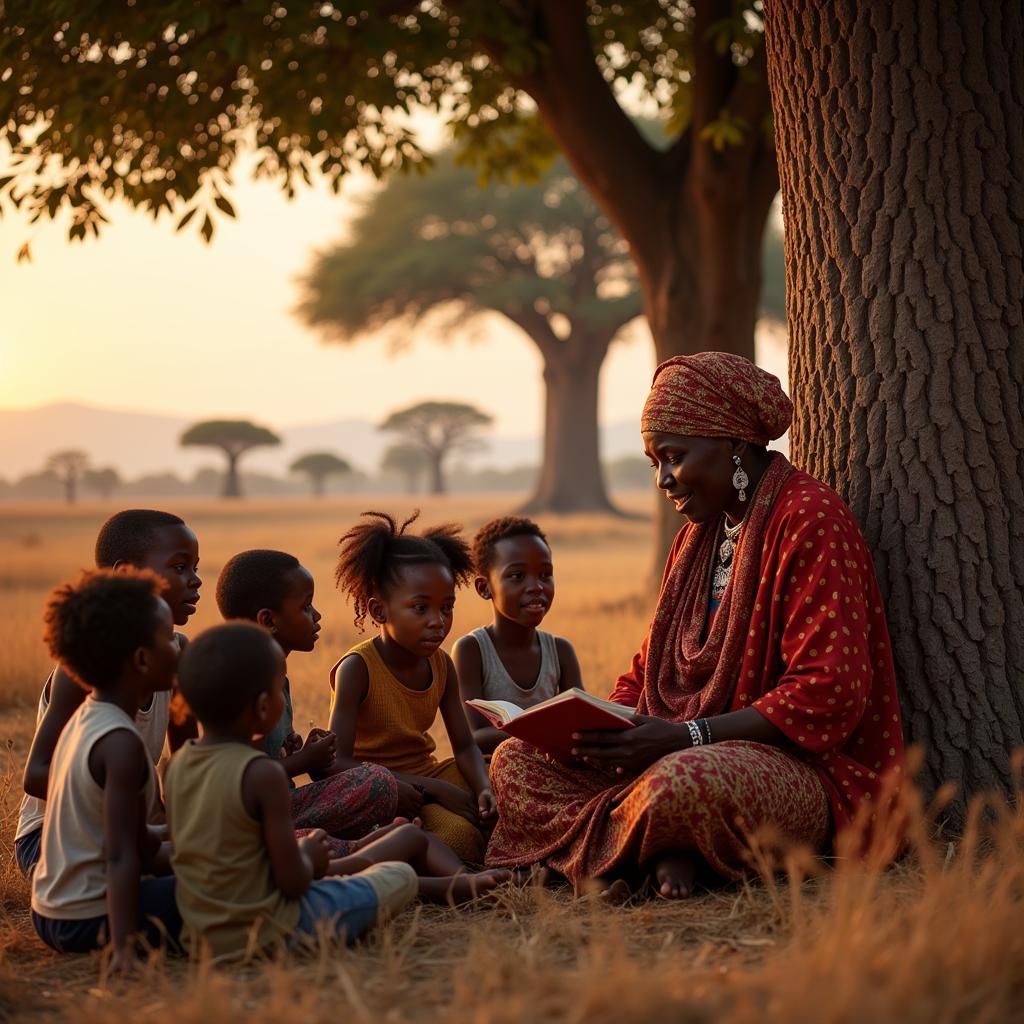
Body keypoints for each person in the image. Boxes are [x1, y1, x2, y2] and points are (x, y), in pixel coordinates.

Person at [485, 352, 906, 899]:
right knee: (515, 762)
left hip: (799, 771)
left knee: (680, 786)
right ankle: (652, 856)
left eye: (673, 457)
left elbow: (829, 691)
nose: (663, 479)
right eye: (654, 462)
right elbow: (648, 668)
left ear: (732, 444)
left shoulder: (809, 519)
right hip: (669, 746)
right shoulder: (695, 538)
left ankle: (608, 857)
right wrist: (604, 731)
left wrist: (687, 737)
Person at [166, 622, 508, 961]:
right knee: (398, 875)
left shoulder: (178, 767)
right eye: (277, 690)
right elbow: (293, 882)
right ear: (262, 707)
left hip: (198, 933)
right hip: (276, 928)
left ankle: (448, 878)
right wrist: (310, 857)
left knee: (403, 838)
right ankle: (452, 885)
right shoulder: (262, 776)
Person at [15, 509, 201, 877]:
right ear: (125, 575)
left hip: (136, 831)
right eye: (180, 567)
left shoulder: (178, 654)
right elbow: (36, 774)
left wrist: (190, 822)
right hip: (54, 838)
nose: (195, 580)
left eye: (195, 567)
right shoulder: (86, 667)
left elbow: (185, 763)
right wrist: (132, 822)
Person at [31, 569, 182, 970]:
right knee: (229, 887)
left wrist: (188, 836)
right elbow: (121, 856)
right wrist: (122, 948)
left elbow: (137, 842)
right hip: (89, 919)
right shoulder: (121, 744)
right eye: (169, 638)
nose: (178, 647)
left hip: (52, 911)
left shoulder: (87, 719)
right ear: (142, 660)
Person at [328, 511, 495, 863]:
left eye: (446, 607)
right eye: (420, 608)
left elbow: (464, 746)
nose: (438, 622)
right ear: (379, 610)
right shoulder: (358, 668)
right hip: (381, 787)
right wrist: (435, 789)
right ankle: (411, 843)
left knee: (505, 784)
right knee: (461, 838)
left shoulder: (440, 663)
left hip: (430, 773)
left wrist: (483, 789)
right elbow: (336, 763)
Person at [215, 549, 398, 853]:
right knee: (376, 782)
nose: (317, 616)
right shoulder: (246, 682)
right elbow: (240, 778)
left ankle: (345, 847)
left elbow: (268, 759)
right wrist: (304, 761)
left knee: (377, 785)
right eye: (306, 606)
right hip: (251, 820)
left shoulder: (276, 675)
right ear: (268, 620)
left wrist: (297, 750)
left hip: (281, 808)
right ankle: (348, 850)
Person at [454, 516, 583, 754]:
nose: (536, 586)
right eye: (517, 576)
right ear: (485, 588)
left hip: (554, 767)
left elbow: (581, 723)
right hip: (494, 771)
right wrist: (543, 730)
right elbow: (473, 737)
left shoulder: (561, 651)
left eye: (545, 574)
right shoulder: (471, 650)